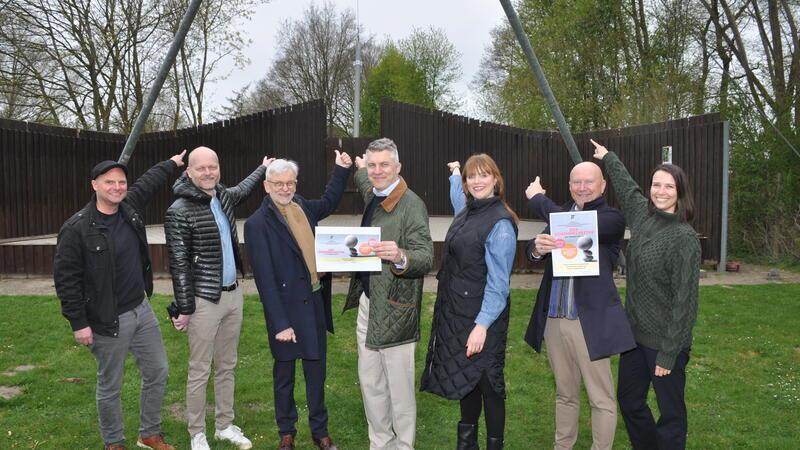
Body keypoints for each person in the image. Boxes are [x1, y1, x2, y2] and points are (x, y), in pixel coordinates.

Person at [54, 151, 186, 450]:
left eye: (121, 182)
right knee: (110, 385)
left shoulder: (130, 208)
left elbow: (148, 183)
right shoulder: (77, 229)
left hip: (141, 309)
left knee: (158, 371)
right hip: (106, 318)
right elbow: (66, 281)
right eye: (109, 182)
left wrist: (172, 164)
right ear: (94, 185)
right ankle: (114, 442)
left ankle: (149, 433)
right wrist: (79, 323)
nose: (117, 187)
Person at [591, 139, 700, 450]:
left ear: (680, 192)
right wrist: (609, 157)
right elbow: (628, 190)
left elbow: (685, 302)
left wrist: (669, 352)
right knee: (630, 401)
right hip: (634, 339)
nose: (660, 191)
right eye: (656, 184)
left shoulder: (684, 238)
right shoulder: (643, 217)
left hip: (666, 341)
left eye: (668, 186)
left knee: (671, 414)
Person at [244, 151, 352, 450]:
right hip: (286, 311)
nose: (285, 188)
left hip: (314, 303)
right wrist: (280, 323)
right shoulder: (257, 224)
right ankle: (286, 432)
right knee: (285, 375)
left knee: (316, 371)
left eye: (290, 183)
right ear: (267, 186)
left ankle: (320, 430)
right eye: (278, 183)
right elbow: (264, 280)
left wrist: (341, 170)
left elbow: (329, 202)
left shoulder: (302, 205)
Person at [524, 161, 636, 450]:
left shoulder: (611, 218)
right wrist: (536, 248)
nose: (582, 187)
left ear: (602, 186)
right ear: (570, 185)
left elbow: (573, 228)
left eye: (589, 182)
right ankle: (563, 446)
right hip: (555, 318)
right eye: (576, 182)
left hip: (589, 322)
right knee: (565, 393)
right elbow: (535, 249)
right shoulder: (562, 213)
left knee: (601, 398)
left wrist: (537, 198)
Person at [164, 146, 271, 450]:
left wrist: (263, 168)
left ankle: (224, 425)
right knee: (200, 369)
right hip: (203, 302)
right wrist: (185, 308)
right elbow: (179, 265)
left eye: (214, 166)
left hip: (234, 296)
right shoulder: (178, 211)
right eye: (202, 168)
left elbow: (243, 189)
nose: (209, 172)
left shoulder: (222, 195)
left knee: (227, 365)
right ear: (189, 172)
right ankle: (197, 433)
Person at [420, 155, 518, 450]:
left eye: (483, 175)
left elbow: (499, 285)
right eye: (470, 177)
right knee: (467, 380)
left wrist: (482, 326)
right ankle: (466, 445)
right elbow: (457, 199)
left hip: (484, 318)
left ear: (496, 180)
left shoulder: (500, 224)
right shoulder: (467, 211)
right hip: (459, 314)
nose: (476, 181)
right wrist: (453, 173)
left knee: (489, 384)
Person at [343, 137, 433, 450]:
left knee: (399, 386)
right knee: (371, 382)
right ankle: (379, 442)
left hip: (396, 308)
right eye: (372, 165)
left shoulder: (411, 205)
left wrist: (399, 256)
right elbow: (365, 179)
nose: (377, 171)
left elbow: (426, 256)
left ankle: (403, 444)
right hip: (369, 303)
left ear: (398, 167)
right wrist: (355, 166)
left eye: (384, 165)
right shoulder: (373, 193)